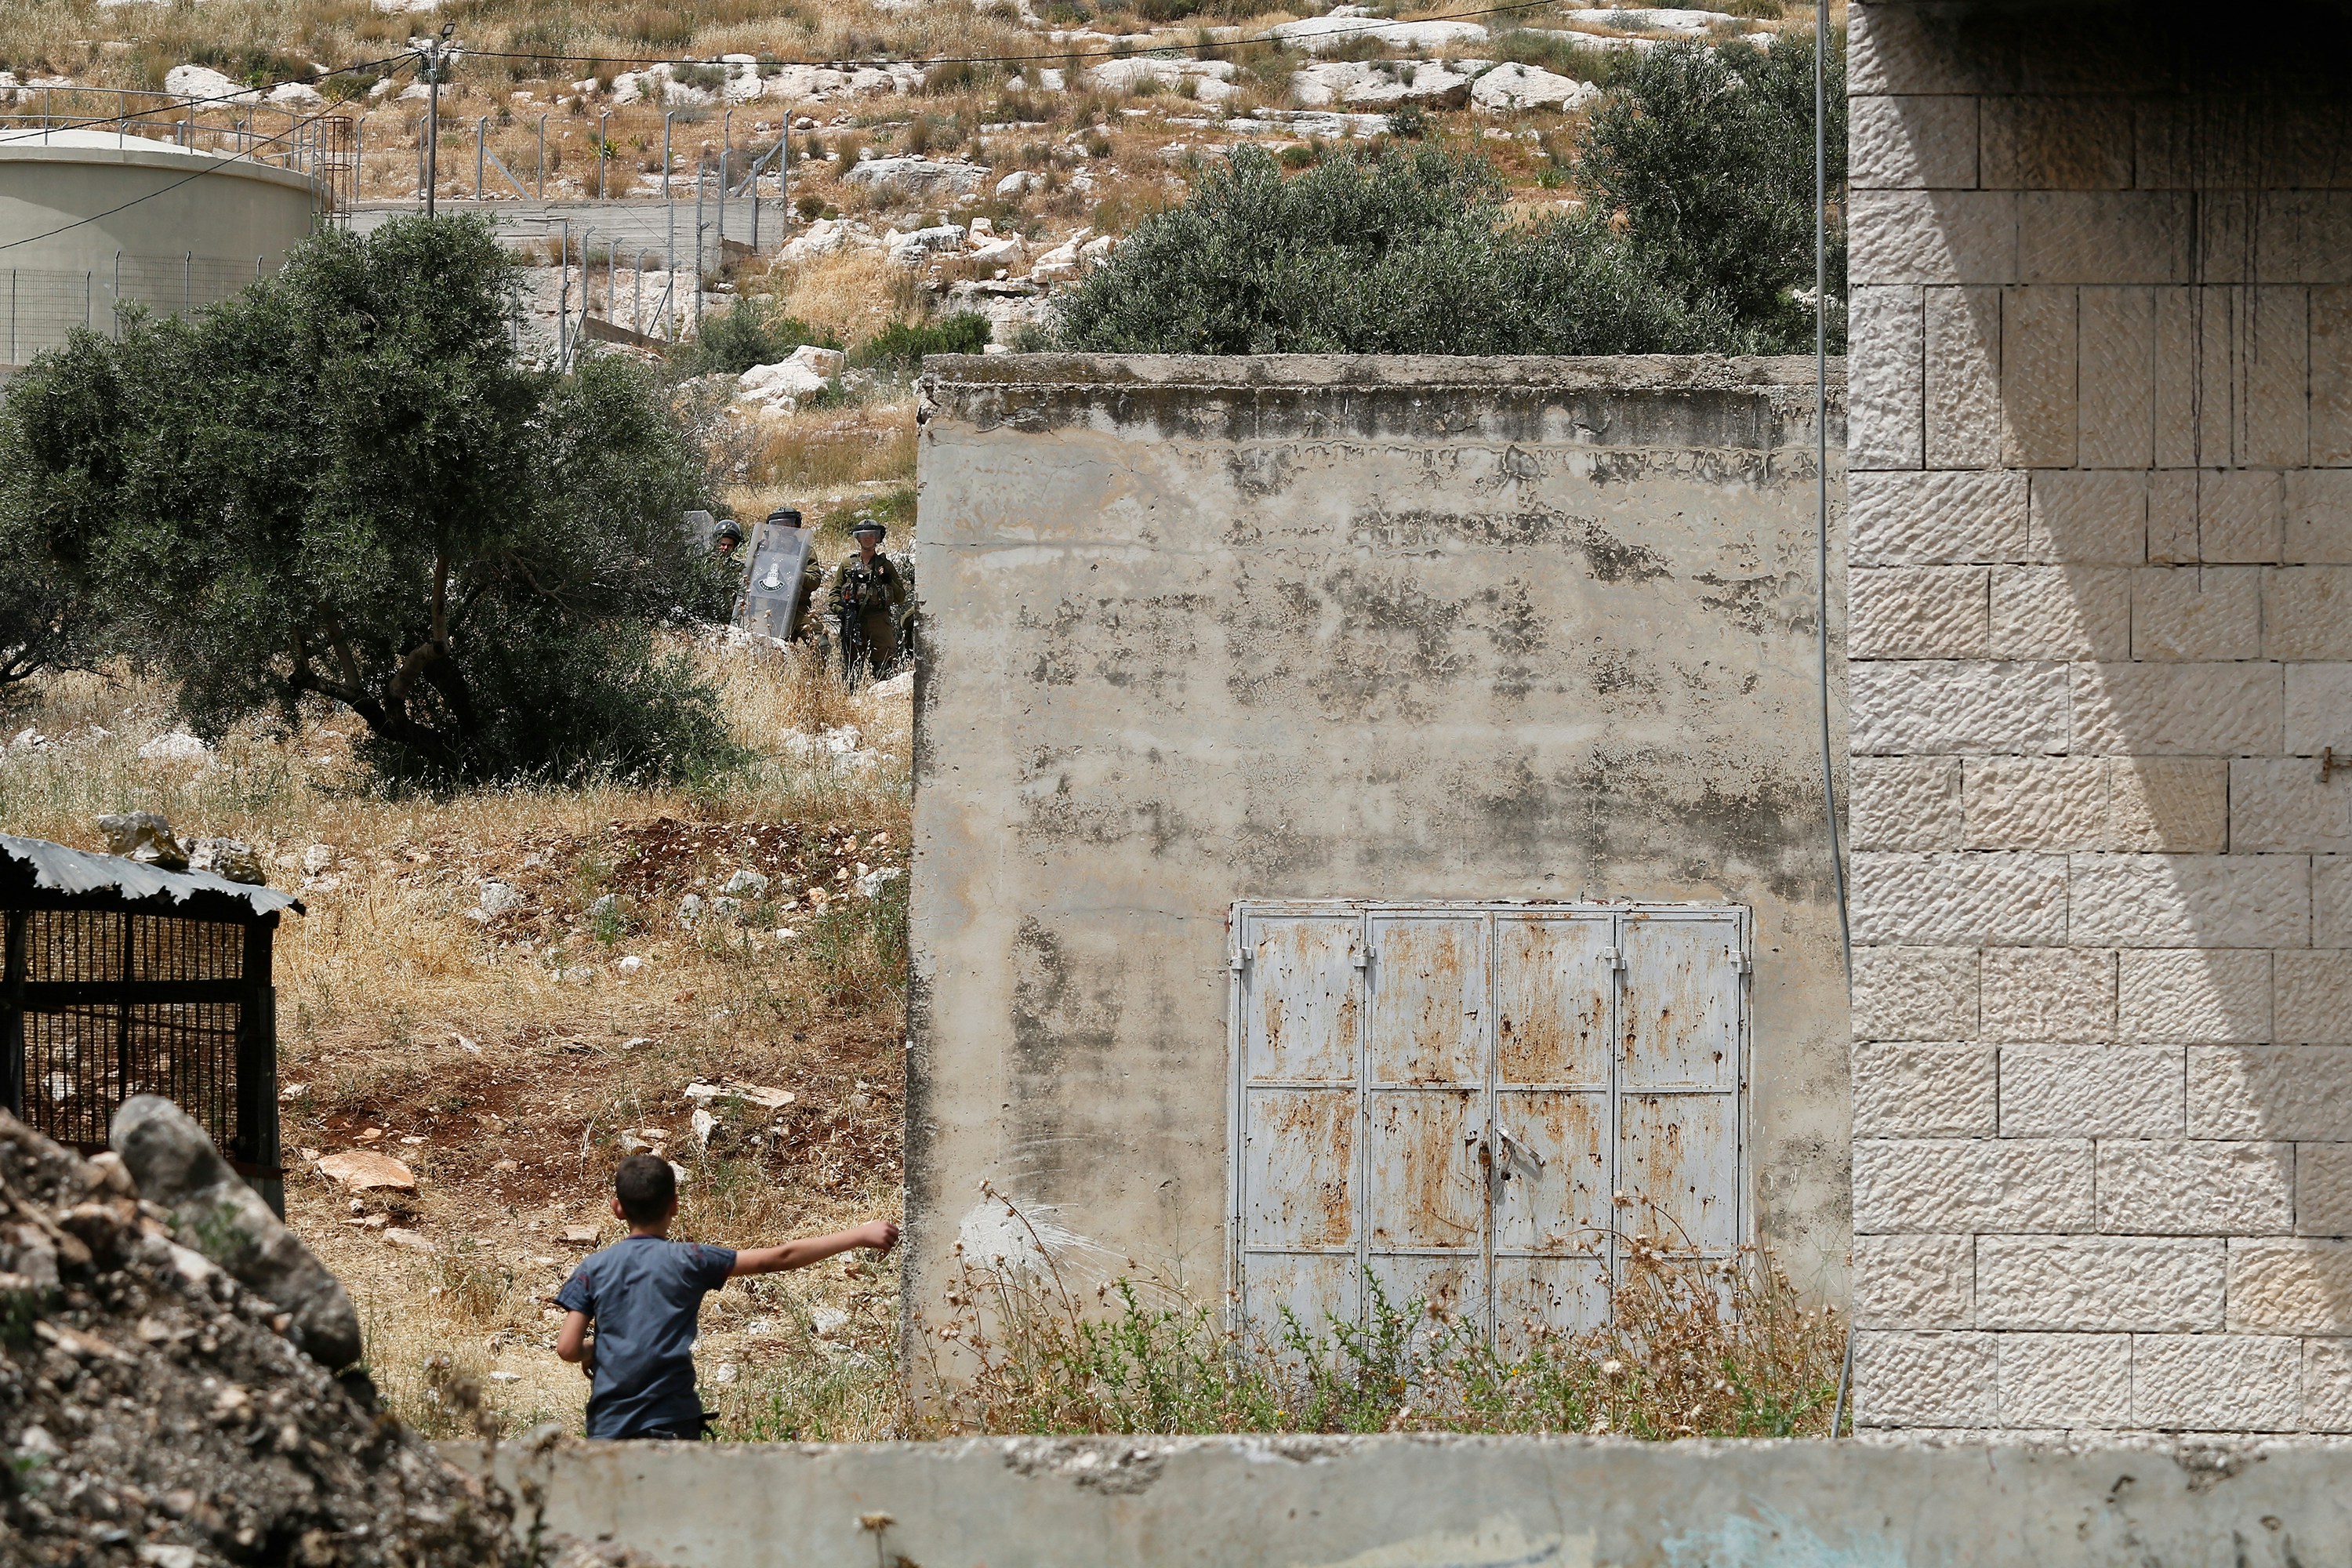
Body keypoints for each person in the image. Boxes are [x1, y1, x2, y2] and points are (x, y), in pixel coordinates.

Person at [554, 1154, 898, 1440]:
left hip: (609, 1427)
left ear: (617, 1208)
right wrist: (859, 1234)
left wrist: (599, 1350)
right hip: (672, 1421)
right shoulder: (691, 1260)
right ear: (674, 1206)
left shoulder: (594, 1267)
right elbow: (779, 1257)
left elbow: (568, 1348)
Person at [830, 517, 906, 681]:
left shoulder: (885, 565)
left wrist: (888, 580)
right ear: (857, 538)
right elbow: (834, 594)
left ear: (878, 538)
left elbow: (901, 597)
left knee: (883, 669)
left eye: (872, 535)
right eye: (864, 535)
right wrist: (842, 612)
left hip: (879, 621)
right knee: (852, 669)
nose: (868, 538)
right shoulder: (847, 564)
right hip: (854, 619)